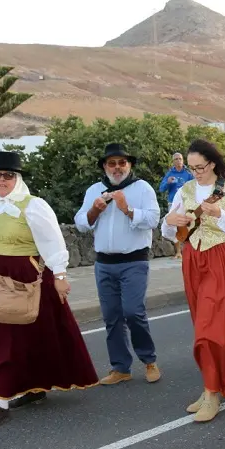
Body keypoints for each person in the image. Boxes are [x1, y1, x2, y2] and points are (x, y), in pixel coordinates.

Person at [0, 151, 98, 429]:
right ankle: (34, 386)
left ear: (18, 179)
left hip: (17, 281)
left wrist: (60, 275)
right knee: (20, 336)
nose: (2, 180)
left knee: (7, 338)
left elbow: (52, 241)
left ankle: (0, 401)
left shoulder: (33, 206)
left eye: (9, 175)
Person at [162, 139, 225, 422]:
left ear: (212, 163)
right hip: (193, 259)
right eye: (191, 168)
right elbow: (169, 231)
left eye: (200, 167)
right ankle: (212, 385)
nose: (195, 173)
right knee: (201, 324)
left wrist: (221, 214)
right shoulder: (185, 189)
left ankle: (213, 392)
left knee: (211, 329)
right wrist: (170, 221)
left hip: (221, 258)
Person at [74, 143, 162, 386]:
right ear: (104, 166)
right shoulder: (95, 190)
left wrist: (127, 209)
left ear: (129, 165)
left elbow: (154, 219)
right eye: (111, 163)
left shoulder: (142, 188)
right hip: (104, 263)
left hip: (134, 261)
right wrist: (94, 210)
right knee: (112, 317)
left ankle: (149, 361)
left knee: (134, 312)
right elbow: (81, 223)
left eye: (122, 162)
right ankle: (120, 368)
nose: (117, 167)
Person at [159, 152, 194, 259]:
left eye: (180, 159)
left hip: (187, 203)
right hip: (173, 204)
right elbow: (161, 189)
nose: (178, 161)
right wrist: (168, 182)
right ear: (173, 161)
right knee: (175, 227)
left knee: (190, 226)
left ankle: (191, 250)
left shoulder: (188, 173)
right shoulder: (170, 174)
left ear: (183, 160)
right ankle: (178, 252)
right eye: (176, 159)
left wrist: (187, 186)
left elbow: (196, 186)